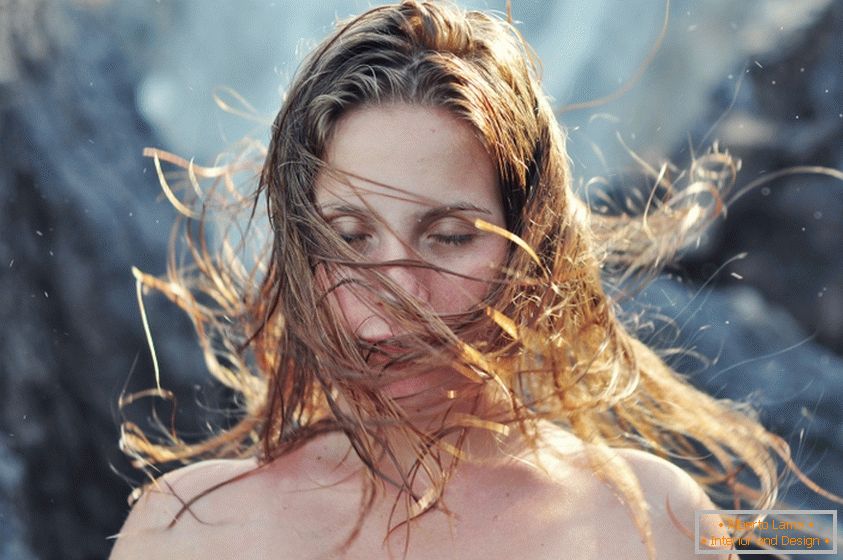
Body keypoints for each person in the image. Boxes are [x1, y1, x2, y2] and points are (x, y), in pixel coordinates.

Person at [109, 2, 834, 558]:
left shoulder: (649, 524)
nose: (398, 295)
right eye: (347, 237)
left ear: (533, 251)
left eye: (450, 237)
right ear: (299, 253)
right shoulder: (186, 532)